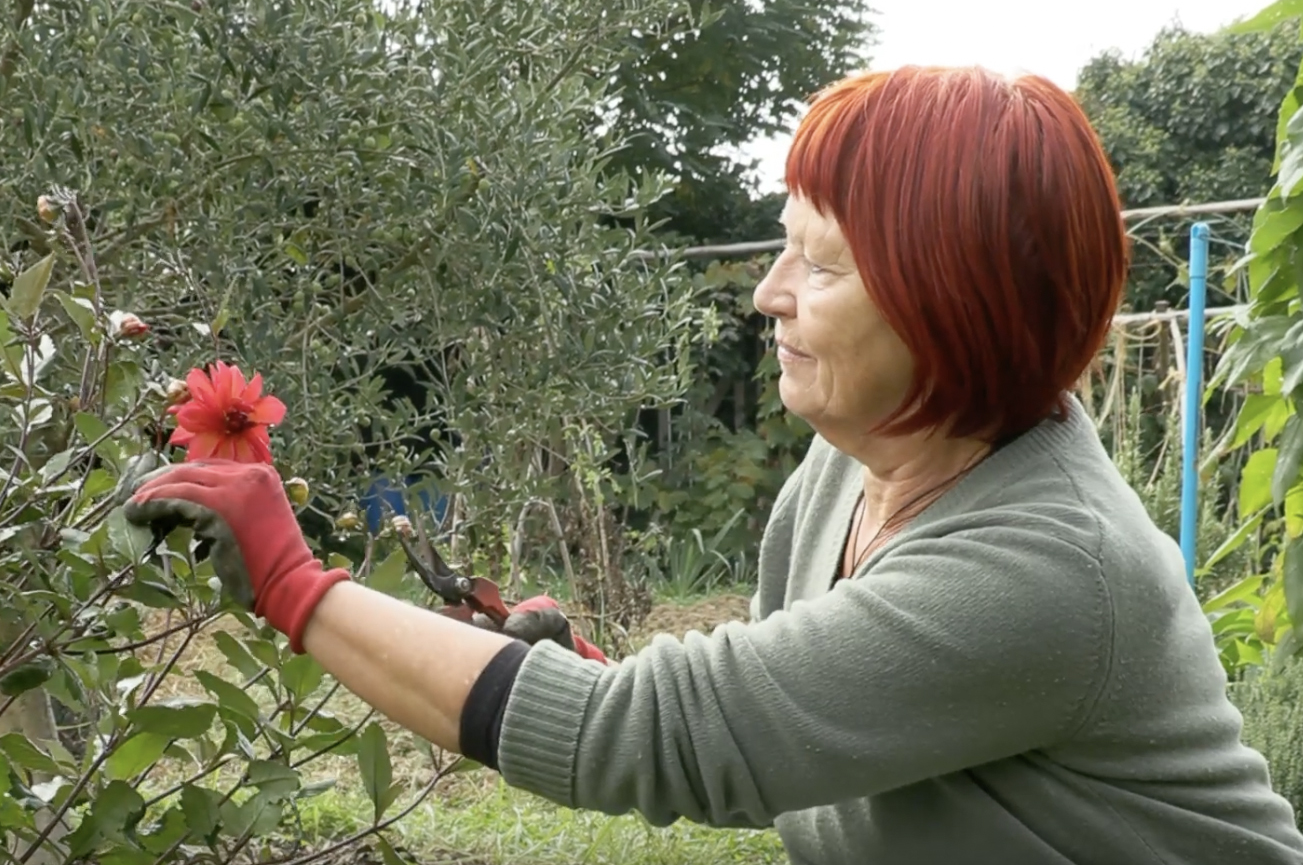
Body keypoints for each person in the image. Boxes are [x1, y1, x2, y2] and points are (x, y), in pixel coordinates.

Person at [123, 65, 1303, 864]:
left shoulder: (1048, 571)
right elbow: (779, 723)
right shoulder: (845, 472)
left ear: (956, 309)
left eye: (820, 265)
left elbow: (640, 739)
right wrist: (590, 667)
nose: (765, 295)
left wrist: (292, 581)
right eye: (781, 249)